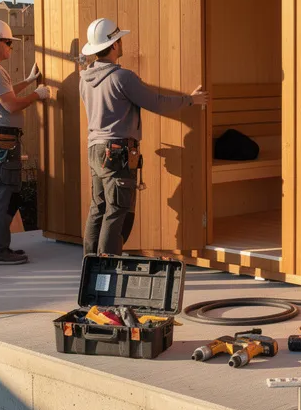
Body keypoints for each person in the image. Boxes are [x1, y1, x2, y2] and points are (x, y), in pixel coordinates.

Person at [80, 17, 207, 256]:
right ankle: (106, 265)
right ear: (115, 45)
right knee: (117, 209)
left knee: (98, 208)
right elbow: (156, 103)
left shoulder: (85, 80)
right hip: (117, 152)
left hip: (95, 150)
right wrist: (190, 99)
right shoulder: (122, 78)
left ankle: (91, 263)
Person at [0, 19, 49, 265]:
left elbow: (5, 94)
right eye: (8, 43)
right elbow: (11, 104)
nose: (10, 48)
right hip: (3, 140)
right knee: (3, 195)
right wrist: (37, 95)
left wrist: (28, 81)